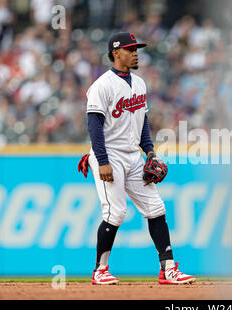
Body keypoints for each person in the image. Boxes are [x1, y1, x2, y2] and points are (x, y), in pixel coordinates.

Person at [79, 32, 195, 285]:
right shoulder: (102, 85)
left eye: (136, 49)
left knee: (156, 209)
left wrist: (150, 152)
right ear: (115, 53)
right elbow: (94, 125)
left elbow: (142, 124)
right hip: (109, 155)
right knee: (115, 212)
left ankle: (168, 269)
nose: (135, 53)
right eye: (130, 49)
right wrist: (102, 159)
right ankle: (100, 270)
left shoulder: (139, 83)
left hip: (133, 156)